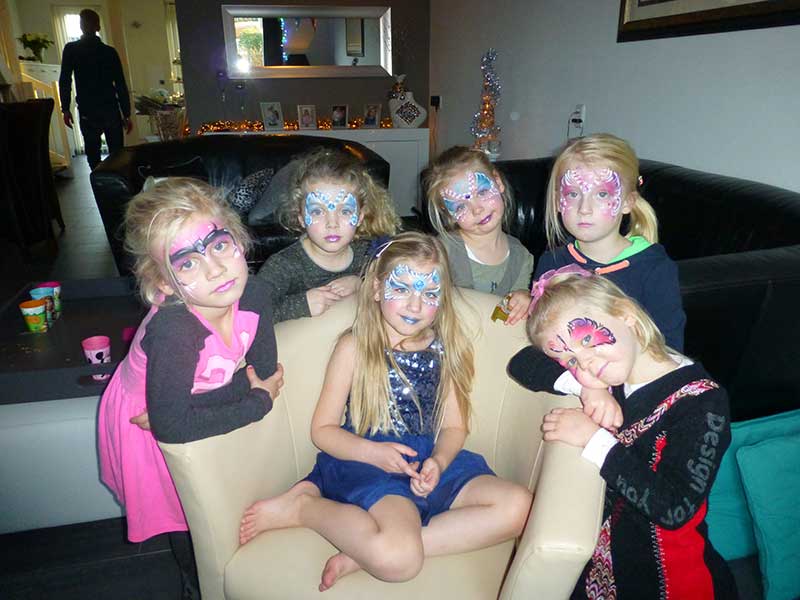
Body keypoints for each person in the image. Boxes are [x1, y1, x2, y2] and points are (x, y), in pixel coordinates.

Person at [240, 232, 532, 591]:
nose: (415, 305)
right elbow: (323, 430)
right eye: (402, 289)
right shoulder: (354, 347)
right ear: (377, 288)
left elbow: (455, 427)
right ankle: (302, 507)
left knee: (520, 507)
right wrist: (374, 454)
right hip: (367, 462)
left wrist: (439, 462)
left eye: (429, 293)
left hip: (427, 459)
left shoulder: (448, 347)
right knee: (399, 561)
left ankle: (362, 554)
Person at [97, 178, 284, 599]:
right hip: (143, 420)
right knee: (185, 515)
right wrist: (255, 402)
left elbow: (264, 371)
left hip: (177, 407)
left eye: (219, 245)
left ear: (238, 239)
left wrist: (223, 399)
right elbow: (172, 425)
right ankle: (195, 585)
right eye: (186, 263)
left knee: (220, 496)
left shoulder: (254, 293)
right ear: (164, 284)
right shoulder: (175, 331)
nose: (215, 269)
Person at [526, 270, 737, 599]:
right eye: (571, 361)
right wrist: (588, 389)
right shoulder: (609, 374)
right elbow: (523, 362)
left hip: (669, 579)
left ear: (626, 315)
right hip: (605, 565)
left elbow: (673, 508)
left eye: (586, 340)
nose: (586, 364)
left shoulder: (703, 403)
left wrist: (594, 440)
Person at [508, 133, 686, 428]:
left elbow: (668, 351)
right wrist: (588, 387)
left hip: (633, 407)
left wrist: (606, 388)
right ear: (558, 200)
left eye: (601, 194)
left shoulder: (653, 268)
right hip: (568, 401)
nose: (584, 208)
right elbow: (541, 348)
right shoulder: (552, 262)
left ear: (628, 202)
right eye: (573, 194)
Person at [257, 148, 401, 322]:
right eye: (317, 211)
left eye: (345, 211)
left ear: (360, 217)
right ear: (301, 218)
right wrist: (303, 304)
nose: (332, 223)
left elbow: (398, 290)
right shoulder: (283, 266)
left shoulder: (369, 254)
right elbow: (251, 312)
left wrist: (362, 284)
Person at [423, 146, 534, 325]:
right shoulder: (442, 251)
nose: (477, 209)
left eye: (482, 192)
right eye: (461, 206)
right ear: (449, 213)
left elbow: (513, 318)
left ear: (498, 182)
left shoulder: (521, 257)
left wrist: (524, 299)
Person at [58, 9, 133, 170]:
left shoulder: (71, 49)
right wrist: (126, 113)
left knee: (93, 157)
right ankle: (116, 182)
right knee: (117, 155)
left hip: (88, 109)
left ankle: (99, 182)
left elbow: (65, 80)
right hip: (110, 108)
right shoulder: (109, 52)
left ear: (81, 26)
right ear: (98, 27)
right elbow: (120, 84)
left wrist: (65, 108)